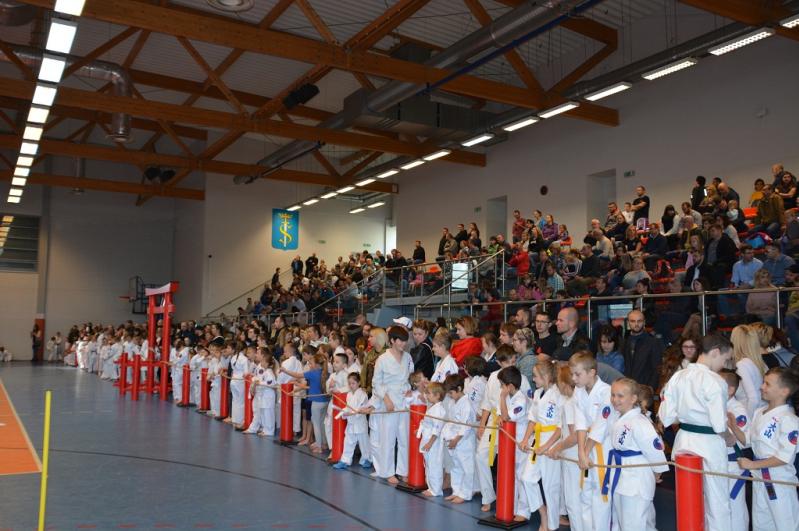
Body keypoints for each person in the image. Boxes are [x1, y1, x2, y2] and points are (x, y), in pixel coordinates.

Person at [658, 334, 733, 531]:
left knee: (688, 500)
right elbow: (719, 425)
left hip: (683, 443)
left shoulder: (677, 376)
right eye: (725, 359)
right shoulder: (715, 381)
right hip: (710, 444)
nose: (724, 365)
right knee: (717, 501)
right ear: (715, 352)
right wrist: (730, 439)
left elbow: (666, 417)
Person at [737, 368, 799, 530]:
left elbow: (784, 457)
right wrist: (732, 427)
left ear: (784, 391)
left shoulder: (789, 420)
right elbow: (748, 440)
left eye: (767, 384)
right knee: (761, 525)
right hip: (759, 479)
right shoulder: (759, 412)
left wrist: (752, 465)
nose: (762, 387)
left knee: (786, 526)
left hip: (780, 481)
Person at [605, 378, 669, 531]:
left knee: (633, 524)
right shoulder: (620, 417)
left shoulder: (639, 421)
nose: (615, 399)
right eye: (613, 395)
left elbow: (654, 449)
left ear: (633, 398)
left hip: (636, 479)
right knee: (624, 521)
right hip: (622, 475)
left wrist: (657, 472)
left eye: (620, 396)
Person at [475, 345, 531, 512]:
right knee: (481, 456)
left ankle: (515, 503)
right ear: (499, 362)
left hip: (514, 425)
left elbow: (528, 405)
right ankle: (488, 496)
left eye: (513, 360)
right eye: (506, 362)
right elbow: (486, 402)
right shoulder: (494, 377)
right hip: (495, 421)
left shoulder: (522, 379)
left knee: (514, 467)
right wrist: (482, 424)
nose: (510, 364)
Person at [570, 351, 614, 531]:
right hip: (587, 445)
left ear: (592, 372)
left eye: (577, 374)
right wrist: (581, 452)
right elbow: (580, 423)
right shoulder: (578, 391)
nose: (573, 378)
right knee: (585, 492)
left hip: (603, 446)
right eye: (572, 374)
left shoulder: (606, 391)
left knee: (601, 493)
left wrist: (585, 452)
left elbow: (600, 426)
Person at [519, 360, 563, 531]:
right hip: (537, 440)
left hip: (552, 442)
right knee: (527, 478)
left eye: (536, 376)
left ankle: (551, 524)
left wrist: (547, 447)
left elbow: (560, 427)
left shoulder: (558, 395)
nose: (533, 379)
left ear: (546, 377)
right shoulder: (537, 393)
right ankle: (542, 512)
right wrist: (525, 439)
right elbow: (532, 419)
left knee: (550, 486)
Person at [371, 325, 414, 484]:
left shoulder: (408, 357)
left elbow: (410, 377)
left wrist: (410, 389)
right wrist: (386, 399)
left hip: (404, 402)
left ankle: (403, 471)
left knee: (404, 438)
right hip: (388, 401)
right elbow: (376, 382)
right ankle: (387, 471)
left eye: (405, 341)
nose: (403, 343)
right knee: (388, 439)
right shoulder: (382, 359)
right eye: (400, 341)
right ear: (392, 341)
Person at [498, 366, 537, 522]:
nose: (501, 388)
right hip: (511, 442)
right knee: (512, 476)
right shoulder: (511, 397)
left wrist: (502, 398)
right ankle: (511, 507)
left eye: (502, 385)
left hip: (522, 442)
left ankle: (524, 511)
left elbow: (506, 417)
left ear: (510, 386)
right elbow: (501, 415)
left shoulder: (521, 399)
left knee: (522, 477)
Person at [719, 369, 750, 531]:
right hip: (717, 463)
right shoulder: (716, 406)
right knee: (718, 506)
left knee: (735, 506)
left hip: (732, 464)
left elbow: (737, 439)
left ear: (730, 390)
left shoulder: (737, 410)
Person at [442, 374, 475, 504]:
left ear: (459, 389)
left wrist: (456, 439)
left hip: (464, 440)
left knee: (467, 468)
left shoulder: (466, 403)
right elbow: (451, 421)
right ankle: (456, 491)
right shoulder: (452, 402)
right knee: (456, 466)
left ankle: (465, 494)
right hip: (453, 438)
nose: (450, 396)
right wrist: (448, 436)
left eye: (451, 393)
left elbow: (465, 425)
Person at [332, 372, 371, 470]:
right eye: (349, 383)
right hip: (351, 423)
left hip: (360, 423)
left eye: (353, 383)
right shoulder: (349, 394)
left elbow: (360, 409)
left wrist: (350, 413)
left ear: (359, 383)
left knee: (364, 443)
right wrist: (343, 412)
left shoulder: (363, 394)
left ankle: (367, 459)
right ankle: (345, 460)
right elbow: (347, 407)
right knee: (348, 442)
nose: (351, 385)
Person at [620, 310, 663, 391]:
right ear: (628, 322)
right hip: (627, 388)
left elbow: (657, 368)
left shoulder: (653, 342)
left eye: (639, 321)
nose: (636, 324)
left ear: (644, 322)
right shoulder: (624, 342)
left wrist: (651, 388)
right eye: (633, 321)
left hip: (645, 389)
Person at [418, 382, 446, 497]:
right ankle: (431, 487)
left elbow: (437, 428)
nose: (427, 396)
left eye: (429, 393)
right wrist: (419, 430)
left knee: (434, 465)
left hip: (433, 442)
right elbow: (428, 423)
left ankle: (436, 490)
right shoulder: (433, 407)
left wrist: (430, 443)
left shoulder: (438, 409)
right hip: (428, 438)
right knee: (429, 464)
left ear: (437, 395)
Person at [244, 347, 278, 436]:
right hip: (260, 393)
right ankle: (257, 428)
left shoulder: (269, 371)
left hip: (267, 393)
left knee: (267, 413)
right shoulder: (259, 366)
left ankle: (269, 431)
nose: (256, 355)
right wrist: (253, 386)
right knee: (259, 412)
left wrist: (258, 383)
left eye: (258, 353)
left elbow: (271, 382)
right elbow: (257, 377)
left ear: (263, 356)